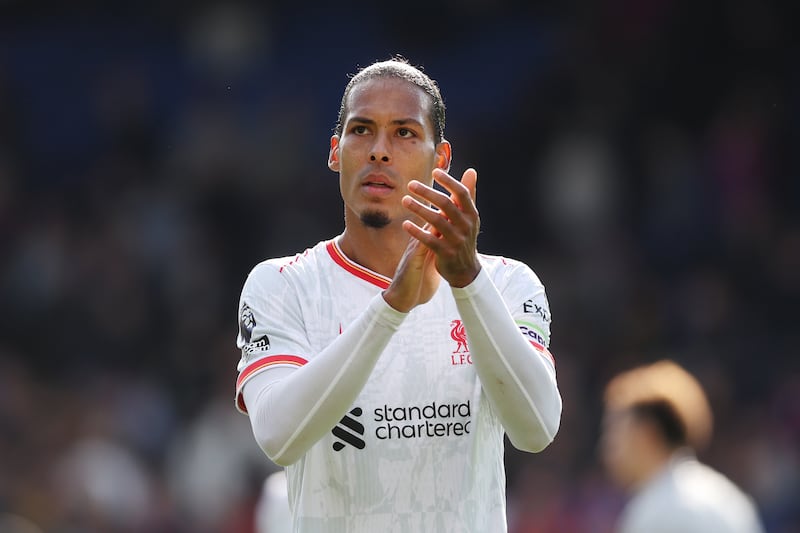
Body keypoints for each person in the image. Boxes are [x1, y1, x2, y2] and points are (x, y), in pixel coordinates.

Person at [233, 56, 562, 533]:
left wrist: (467, 280)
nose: (379, 151)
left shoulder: (507, 284)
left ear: (441, 158)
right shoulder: (283, 284)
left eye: (405, 132)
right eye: (362, 130)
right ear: (335, 151)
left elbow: (536, 428)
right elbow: (278, 437)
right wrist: (390, 309)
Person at [600, 359, 766, 533]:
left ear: (646, 434)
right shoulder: (729, 497)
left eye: (614, 432)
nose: (606, 446)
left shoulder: (654, 510)